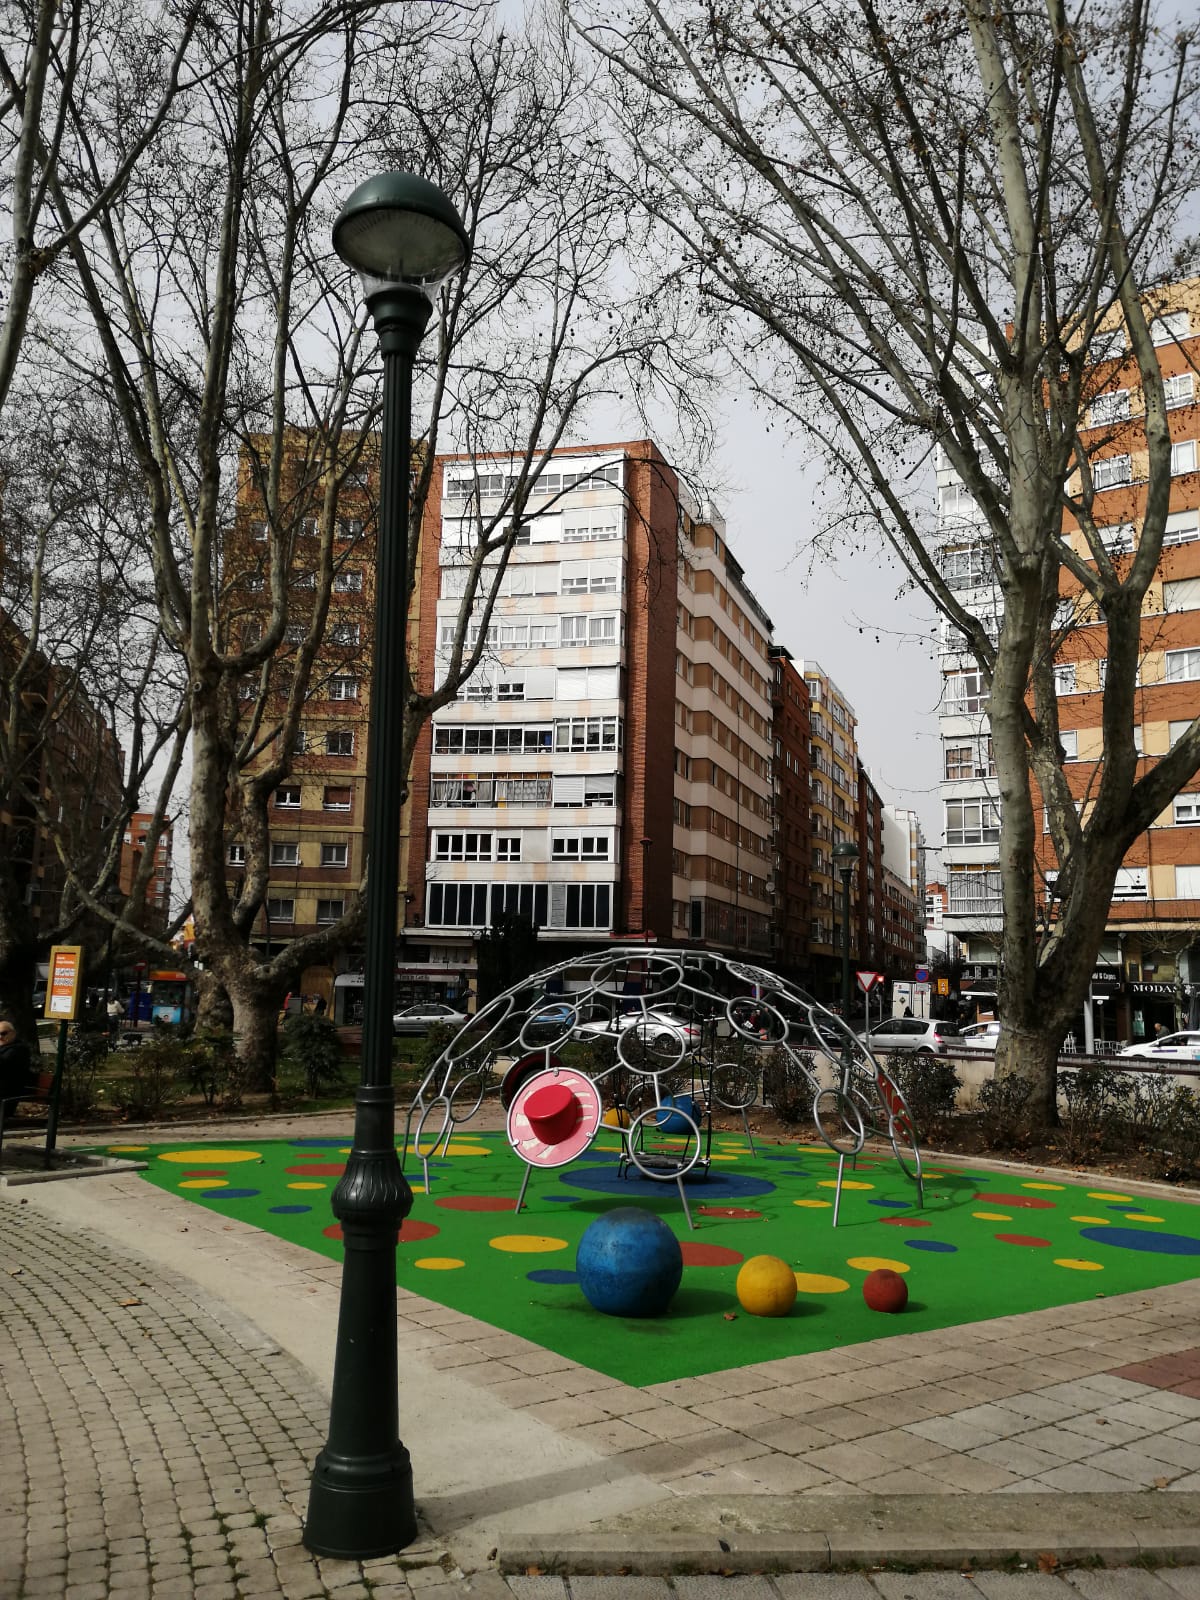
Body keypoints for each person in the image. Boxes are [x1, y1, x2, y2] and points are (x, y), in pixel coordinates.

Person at [0, 1018, 34, 1099]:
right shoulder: (4, 1048)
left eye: (3, 1033)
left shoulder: (19, 1049)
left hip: (9, 1095)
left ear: (13, 1033)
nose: (0, 1037)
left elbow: (4, 1064)